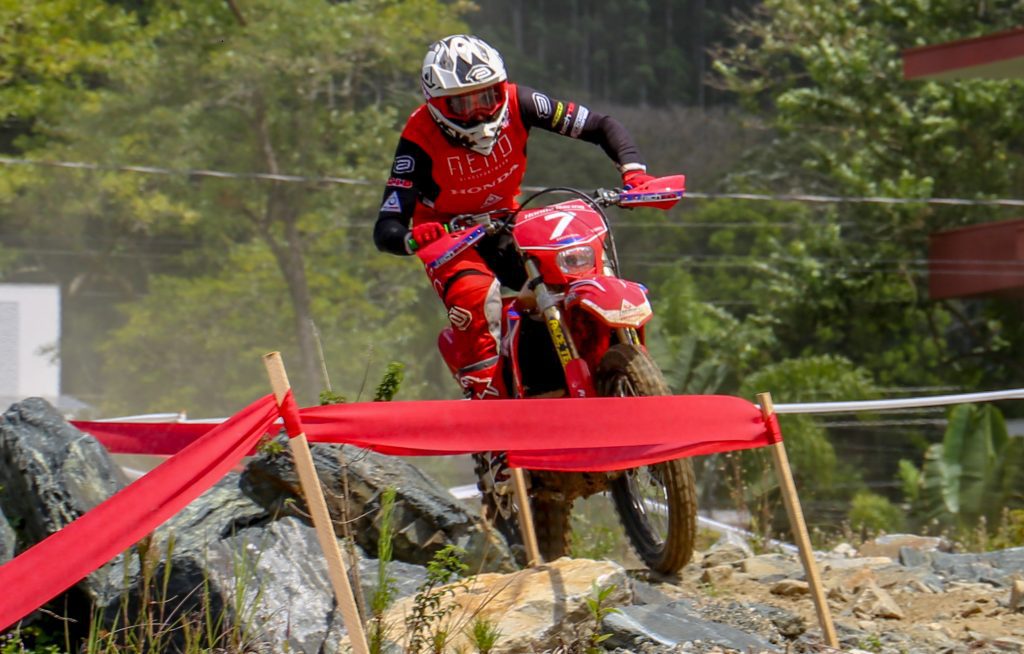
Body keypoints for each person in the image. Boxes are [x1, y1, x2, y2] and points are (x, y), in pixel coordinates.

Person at [373, 34, 657, 401]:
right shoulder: (418, 137)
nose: (478, 112)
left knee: (572, 266)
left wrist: (633, 172)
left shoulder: (521, 101)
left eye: (487, 96)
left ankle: (594, 356)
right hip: (451, 237)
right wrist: (413, 238)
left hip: (508, 219)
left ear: (501, 86)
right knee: (477, 296)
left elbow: (600, 125)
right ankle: (487, 405)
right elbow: (387, 225)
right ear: (437, 105)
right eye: (462, 104)